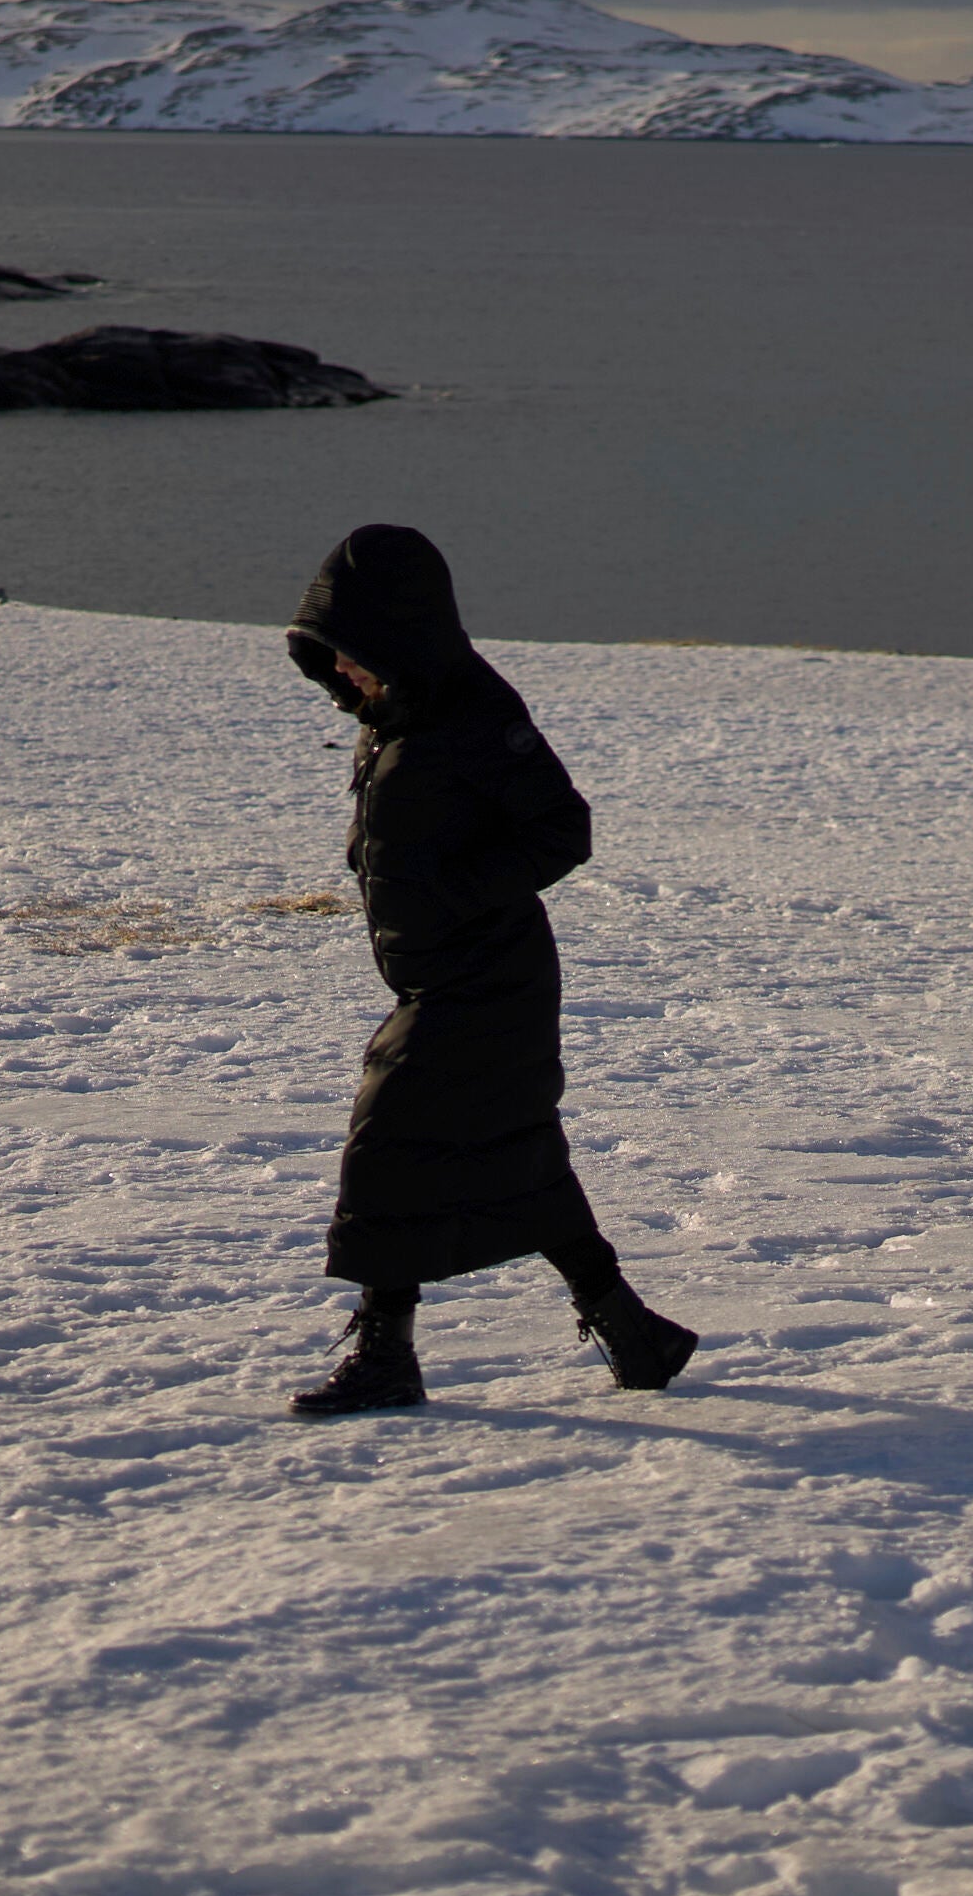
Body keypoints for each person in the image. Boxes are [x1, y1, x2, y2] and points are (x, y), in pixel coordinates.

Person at [281, 523, 698, 1418]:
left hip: (487, 982)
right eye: (332, 655)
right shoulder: (395, 715)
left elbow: (561, 829)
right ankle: (637, 1333)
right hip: (441, 980)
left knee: (386, 1147)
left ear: (400, 632)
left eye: (353, 652)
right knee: (521, 1161)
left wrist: (450, 897)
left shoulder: (475, 713)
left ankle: (389, 1358)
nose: (342, 673)